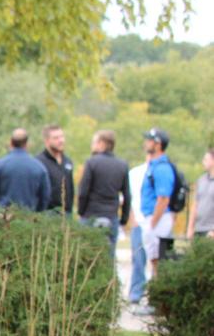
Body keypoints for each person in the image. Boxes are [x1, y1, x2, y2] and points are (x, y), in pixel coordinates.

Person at [136, 127, 177, 315]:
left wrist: (152, 223)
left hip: (158, 219)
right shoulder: (154, 165)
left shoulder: (162, 168)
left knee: (158, 261)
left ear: (158, 144)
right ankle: (155, 301)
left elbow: (163, 198)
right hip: (154, 218)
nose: (146, 143)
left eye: (149, 140)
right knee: (154, 261)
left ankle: (157, 302)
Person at [75, 129, 131, 256]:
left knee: (85, 254)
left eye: (94, 142)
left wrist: (81, 212)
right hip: (111, 216)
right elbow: (127, 195)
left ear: (101, 143)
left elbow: (83, 192)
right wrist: (124, 219)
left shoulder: (92, 162)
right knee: (109, 255)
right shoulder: (122, 165)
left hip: (91, 215)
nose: (92, 145)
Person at [0, 129, 51, 211]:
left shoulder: (0, 165)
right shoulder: (39, 167)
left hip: (5, 215)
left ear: (11, 142)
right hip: (29, 216)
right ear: (27, 144)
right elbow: (45, 197)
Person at [37, 124, 75, 215]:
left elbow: (70, 188)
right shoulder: (39, 162)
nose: (61, 140)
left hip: (67, 214)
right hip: (47, 214)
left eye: (62, 136)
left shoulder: (67, 161)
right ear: (46, 141)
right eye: (56, 138)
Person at [127, 155, 149, 304]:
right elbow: (129, 197)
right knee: (138, 259)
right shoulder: (135, 173)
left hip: (154, 223)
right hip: (139, 222)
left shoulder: (163, 171)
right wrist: (132, 218)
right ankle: (136, 293)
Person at [186, 148, 214, 242]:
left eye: (206, 160)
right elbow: (195, 205)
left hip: (211, 231)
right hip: (198, 229)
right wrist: (190, 228)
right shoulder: (201, 180)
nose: (203, 162)